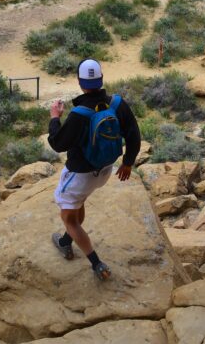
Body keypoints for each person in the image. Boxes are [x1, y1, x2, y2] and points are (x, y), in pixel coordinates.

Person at [47, 58, 141, 280]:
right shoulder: (118, 104)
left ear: (80, 82)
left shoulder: (79, 114)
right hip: (105, 170)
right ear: (101, 80)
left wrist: (54, 118)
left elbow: (58, 144)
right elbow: (134, 136)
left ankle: (95, 263)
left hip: (80, 175)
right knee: (78, 202)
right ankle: (66, 240)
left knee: (69, 219)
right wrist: (128, 162)